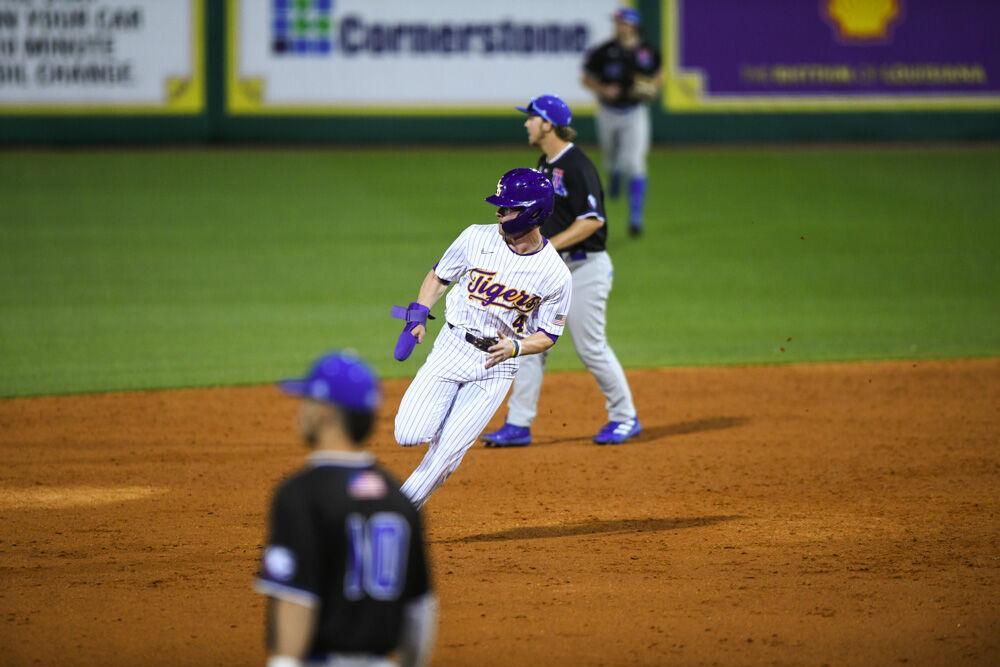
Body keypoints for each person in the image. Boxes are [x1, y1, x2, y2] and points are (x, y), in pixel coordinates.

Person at [390, 168, 572, 509]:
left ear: (533, 211)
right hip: (452, 347)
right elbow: (439, 275)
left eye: (508, 207)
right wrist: (418, 314)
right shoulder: (476, 237)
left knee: (446, 453)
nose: (499, 212)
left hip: (497, 366)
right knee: (408, 433)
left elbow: (549, 334)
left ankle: (398, 512)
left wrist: (517, 346)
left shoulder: (555, 274)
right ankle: (449, 435)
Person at [256, 351, 437, 667]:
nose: (300, 411)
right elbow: (419, 609)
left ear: (325, 412)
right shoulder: (399, 498)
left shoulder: (300, 494)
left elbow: (296, 599)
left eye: (306, 401)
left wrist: (283, 662)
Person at [482, 94, 641, 447]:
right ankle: (518, 424)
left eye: (531, 118)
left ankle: (625, 416)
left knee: (591, 347)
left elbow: (592, 221)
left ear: (548, 124)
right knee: (527, 345)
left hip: (585, 268)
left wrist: (549, 247)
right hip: (553, 272)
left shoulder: (578, 166)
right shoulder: (543, 163)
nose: (526, 123)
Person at [581, 6, 662, 237]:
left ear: (633, 25)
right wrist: (603, 89)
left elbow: (657, 75)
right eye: (617, 22)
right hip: (608, 113)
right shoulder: (605, 51)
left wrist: (651, 88)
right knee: (610, 159)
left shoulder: (646, 52)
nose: (619, 26)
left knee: (635, 163)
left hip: (635, 112)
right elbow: (586, 78)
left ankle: (636, 216)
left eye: (623, 22)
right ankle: (614, 173)